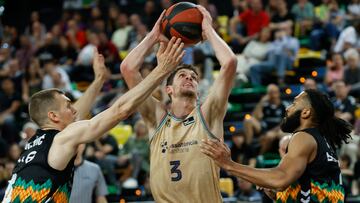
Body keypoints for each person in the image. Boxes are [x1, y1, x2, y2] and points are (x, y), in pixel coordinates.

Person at [1, 39, 185, 203]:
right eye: (67, 105)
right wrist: (162, 70)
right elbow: (120, 110)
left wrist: (98, 81)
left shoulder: (36, 142)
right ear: (53, 116)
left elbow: (76, 114)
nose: (74, 110)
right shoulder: (61, 138)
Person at [120, 6, 237, 203]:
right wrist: (154, 34)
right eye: (182, 75)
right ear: (169, 90)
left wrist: (208, 29)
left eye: (193, 77)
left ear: (198, 90)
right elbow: (128, 69)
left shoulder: (208, 114)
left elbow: (230, 63)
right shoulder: (157, 118)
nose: (189, 78)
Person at [201, 89, 352, 202]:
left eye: (294, 103)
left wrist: (228, 165)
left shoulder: (304, 136)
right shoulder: (323, 141)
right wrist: (279, 195)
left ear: (306, 112)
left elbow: (280, 179)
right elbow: (313, 191)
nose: (287, 108)